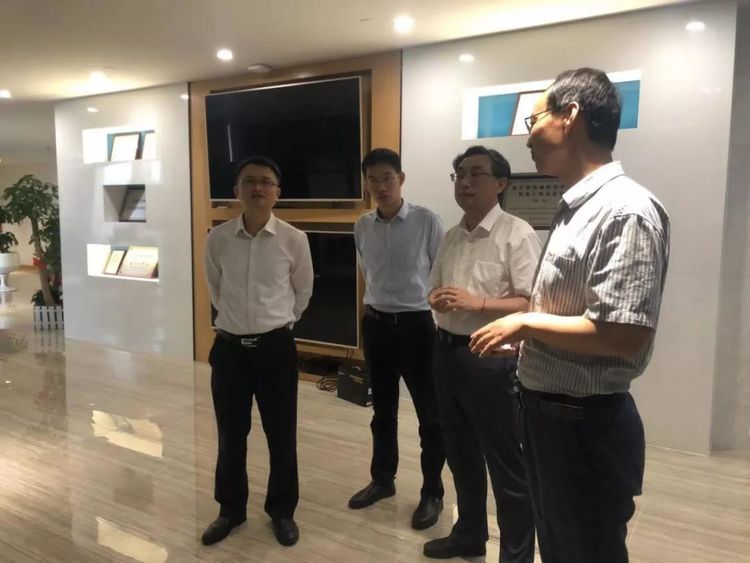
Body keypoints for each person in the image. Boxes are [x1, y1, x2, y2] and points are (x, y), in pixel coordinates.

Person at [470, 68, 670, 563]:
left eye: (534, 120)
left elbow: (624, 335)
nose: (527, 138)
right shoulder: (577, 207)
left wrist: (526, 323)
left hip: (584, 430)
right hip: (549, 419)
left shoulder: (624, 210)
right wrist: (533, 338)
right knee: (561, 547)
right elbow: (576, 313)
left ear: (571, 116)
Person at [424, 145, 541, 562]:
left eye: (476, 174)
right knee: (460, 453)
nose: (465, 182)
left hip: (493, 359)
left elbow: (531, 303)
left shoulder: (517, 234)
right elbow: (434, 288)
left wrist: (479, 304)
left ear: (501, 183)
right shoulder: (452, 236)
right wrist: (437, 298)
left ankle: (516, 554)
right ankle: (469, 535)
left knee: (506, 462)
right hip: (447, 354)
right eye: (459, 174)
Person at [201, 155, 313, 548]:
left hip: (275, 350)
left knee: (281, 435)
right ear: (237, 190)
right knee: (230, 435)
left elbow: (303, 293)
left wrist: (278, 324)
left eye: (266, 181)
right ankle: (230, 510)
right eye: (250, 181)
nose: (258, 188)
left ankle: (282, 511)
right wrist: (239, 323)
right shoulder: (217, 239)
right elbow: (215, 289)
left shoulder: (293, 240)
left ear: (277, 192)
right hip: (230, 350)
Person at [347, 148, 446, 530]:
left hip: (416, 326)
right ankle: (382, 480)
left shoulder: (426, 220)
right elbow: (366, 271)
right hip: (376, 325)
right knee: (383, 411)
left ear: (401, 179)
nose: (380, 186)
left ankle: (432, 492)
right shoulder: (362, 225)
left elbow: (440, 271)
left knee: (430, 415)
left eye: (387, 178)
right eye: (372, 179)